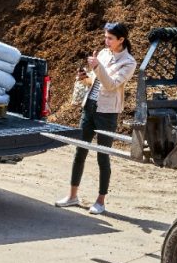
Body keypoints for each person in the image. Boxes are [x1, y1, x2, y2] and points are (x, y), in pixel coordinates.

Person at [55, 22, 136, 215]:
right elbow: (95, 81)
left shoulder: (129, 62)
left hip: (107, 112)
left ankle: (101, 201)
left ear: (121, 40)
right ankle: (72, 195)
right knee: (80, 151)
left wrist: (97, 67)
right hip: (90, 107)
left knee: (103, 156)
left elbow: (110, 85)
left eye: (110, 38)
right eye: (105, 37)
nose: (106, 41)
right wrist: (84, 77)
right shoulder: (102, 53)